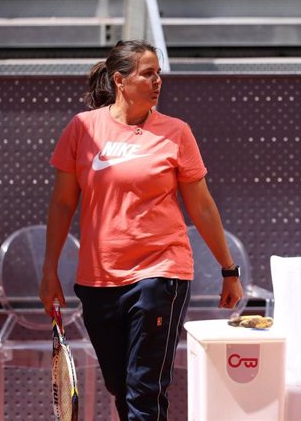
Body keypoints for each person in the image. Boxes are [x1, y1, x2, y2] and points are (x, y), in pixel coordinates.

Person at [39, 40, 243, 420]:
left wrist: (228, 270)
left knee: (144, 391)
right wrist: (49, 270)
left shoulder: (177, 132)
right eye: (148, 73)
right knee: (122, 387)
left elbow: (201, 206)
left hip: (159, 275)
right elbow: (63, 203)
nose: (157, 81)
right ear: (120, 80)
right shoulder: (82, 129)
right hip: (97, 281)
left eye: (159, 73)